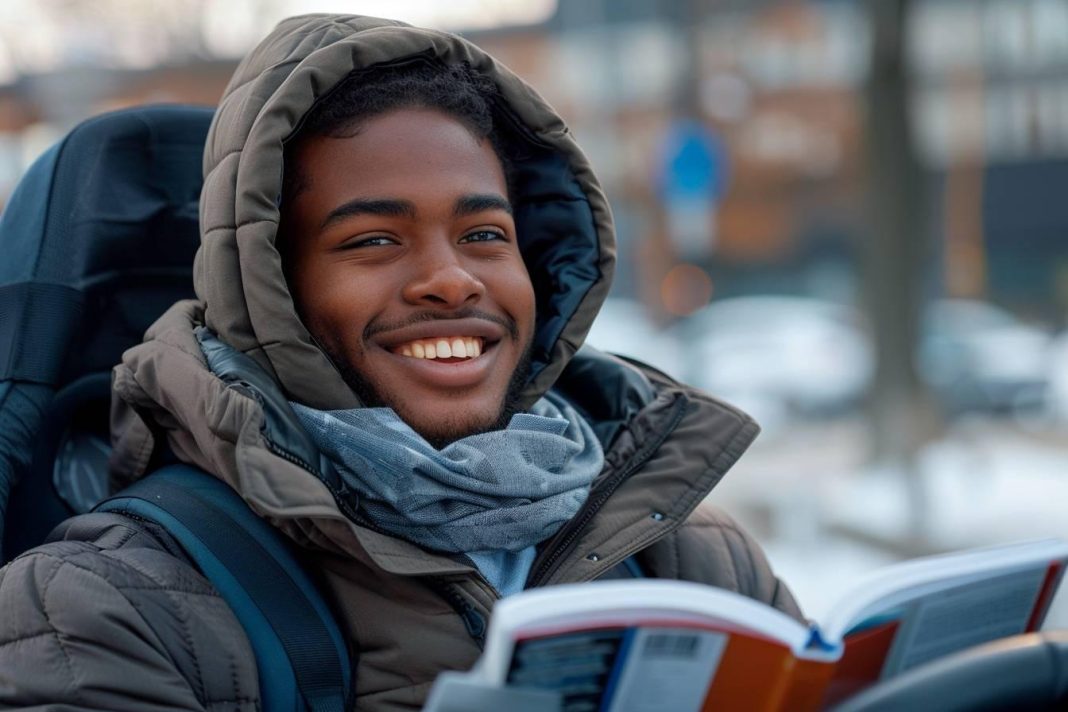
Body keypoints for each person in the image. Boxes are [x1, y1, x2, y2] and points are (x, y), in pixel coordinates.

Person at [0, 14, 800, 712]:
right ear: (268, 287)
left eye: (486, 234)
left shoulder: (691, 561)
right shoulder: (101, 612)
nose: (453, 279)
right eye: (373, 241)